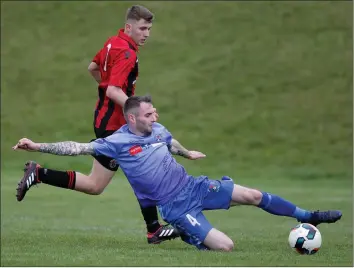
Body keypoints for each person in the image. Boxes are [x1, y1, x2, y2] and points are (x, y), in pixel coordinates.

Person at [13, 95, 343, 251]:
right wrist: (37, 145)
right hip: (176, 207)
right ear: (132, 119)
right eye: (148, 113)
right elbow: (76, 147)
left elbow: (170, 142)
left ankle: (309, 215)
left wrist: (187, 153)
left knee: (254, 195)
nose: (155, 116)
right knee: (226, 247)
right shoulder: (116, 142)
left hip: (193, 186)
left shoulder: (159, 128)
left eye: (154, 111)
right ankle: (186, 232)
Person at [15, 5, 180, 245]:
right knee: (146, 170)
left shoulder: (113, 42)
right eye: (142, 28)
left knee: (95, 185)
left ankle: (39, 174)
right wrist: (138, 112)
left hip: (104, 120)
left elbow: (93, 68)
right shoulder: (127, 53)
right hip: (116, 125)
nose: (146, 34)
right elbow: (113, 90)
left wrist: (106, 91)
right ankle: (154, 229)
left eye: (149, 29)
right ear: (129, 27)